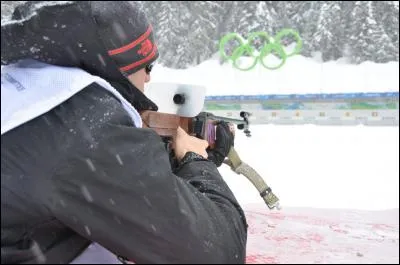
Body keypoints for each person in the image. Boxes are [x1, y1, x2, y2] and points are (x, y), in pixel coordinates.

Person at [1, 1, 248, 264]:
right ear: (119, 65)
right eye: (148, 67)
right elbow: (218, 251)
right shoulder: (86, 128)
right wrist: (197, 163)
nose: (149, 79)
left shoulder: (28, 90)